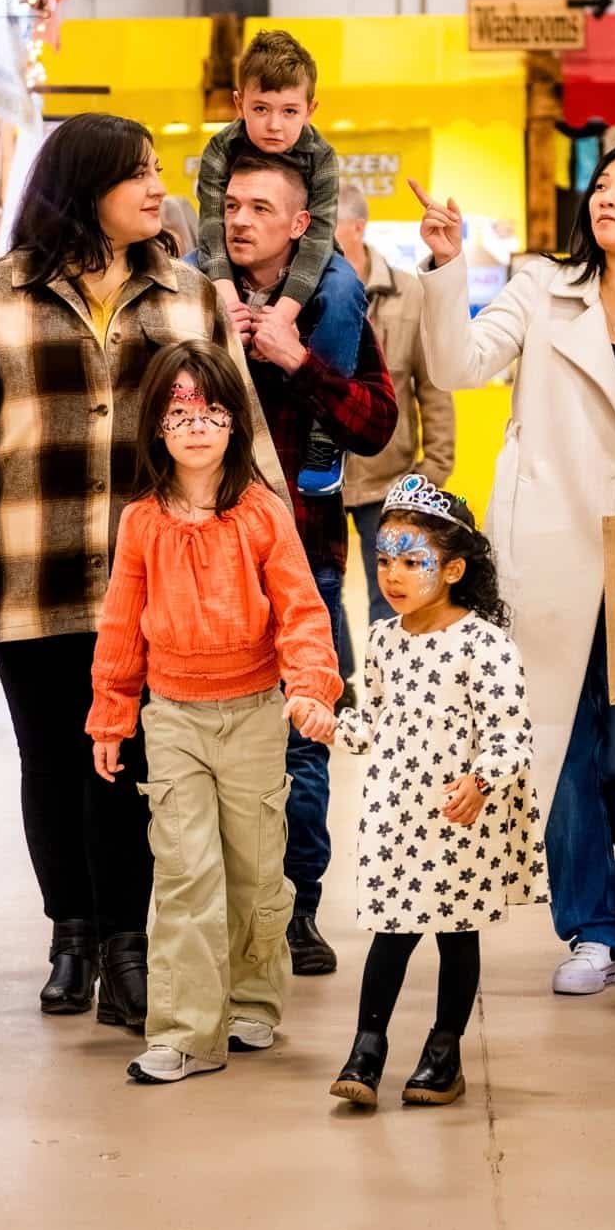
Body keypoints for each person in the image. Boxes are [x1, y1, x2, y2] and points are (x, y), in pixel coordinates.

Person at [0, 114, 285, 1027]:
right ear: (81, 186)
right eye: (134, 174)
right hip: (35, 571)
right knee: (55, 762)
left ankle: (127, 947)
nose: (156, 187)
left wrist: (272, 547)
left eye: (155, 172)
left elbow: (243, 424)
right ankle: (71, 934)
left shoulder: (189, 295)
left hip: (161, 585)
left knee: (135, 764)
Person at [414, 143, 615, 999]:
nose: (607, 196)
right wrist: (444, 264)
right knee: (560, 746)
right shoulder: (545, 285)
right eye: (602, 183)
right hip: (547, 546)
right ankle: (595, 927)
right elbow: (458, 366)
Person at [87, 341, 340, 1086]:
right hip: (173, 720)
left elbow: (301, 609)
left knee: (256, 871)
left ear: (234, 423)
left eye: (213, 410)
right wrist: (112, 714)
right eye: (179, 412)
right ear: (157, 428)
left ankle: (254, 994)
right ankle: (186, 1033)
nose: (197, 425)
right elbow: (119, 623)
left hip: (257, 713)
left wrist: (310, 687)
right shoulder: (140, 523)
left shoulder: (263, 513)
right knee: (186, 874)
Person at [219, 151, 398, 974]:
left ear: (300, 223)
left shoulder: (332, 301)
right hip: (206, 562)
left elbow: (375, 422)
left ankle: (299, 908)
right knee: (203, 742)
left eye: (261, 207)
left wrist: (298, 362)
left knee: (303, 741)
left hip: (305, 554)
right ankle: (226, 912)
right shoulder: (198, 297)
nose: (241, 219)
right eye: (231, 204)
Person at [326, 476, 541, 1109]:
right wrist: (329, 720)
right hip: (395, 819)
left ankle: (443, 1052)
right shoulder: (385, 641)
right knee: (390, 932)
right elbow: (372, 726)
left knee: (455, 934)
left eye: (410, 561)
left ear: (452, 569)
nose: (391, 575)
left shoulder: (486, 646)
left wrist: (480, 782)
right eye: (383, 560)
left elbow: (513, 735)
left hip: (459, 820)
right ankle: (367, 1050)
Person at [196, 29, 368, 496]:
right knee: (183, 273)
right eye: (261, 109)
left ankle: (322, 433)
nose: (274, 124)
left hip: (309, 261)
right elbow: (212, 227)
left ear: (310, 110)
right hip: (225, 264)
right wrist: (226, 298)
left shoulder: (321, 157)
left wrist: (282, 314)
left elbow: (316, 242)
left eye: (289, 112)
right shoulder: (220, 151)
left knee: (343, 288)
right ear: (239, 103)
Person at [335, 181, 456, 632]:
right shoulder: (303, 295)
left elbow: (434, 386)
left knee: (391, 594)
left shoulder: (410, 293)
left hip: (389, 480)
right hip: (319, 479)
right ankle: (339, 685)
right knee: (321, 592)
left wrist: (434, 470)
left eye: (332, 222)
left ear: (359, 227)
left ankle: (389, 690)